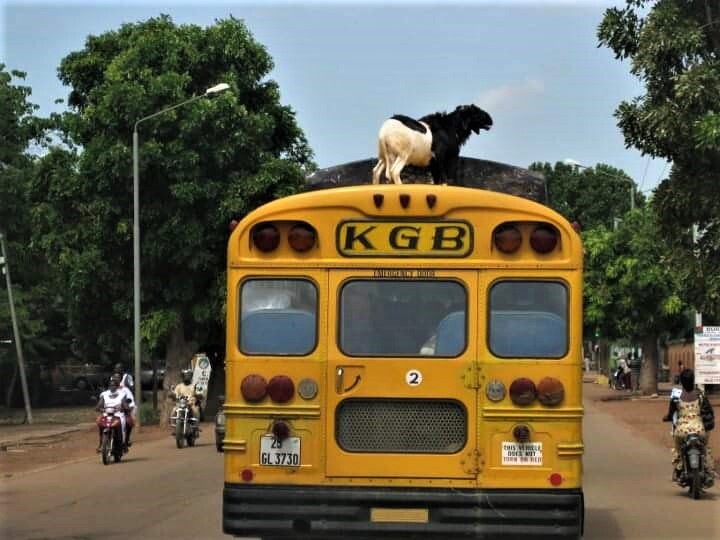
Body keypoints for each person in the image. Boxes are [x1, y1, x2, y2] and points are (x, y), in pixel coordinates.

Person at [663, 368, 715, 486]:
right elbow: (708, 412)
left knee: (678, 451)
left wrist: (667, 417)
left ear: (681, 381)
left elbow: (671, 414)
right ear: (693, 380)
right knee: (705, 449)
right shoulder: (700, 395)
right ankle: (707, 469)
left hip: (682, 430)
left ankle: (678, 469)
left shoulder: (676, 395)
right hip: (699, 428)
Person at [95, 375, 131, 452]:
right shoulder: (104, 394)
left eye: (114, 385)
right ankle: (101, 443)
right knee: (100, 424)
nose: (112, 387)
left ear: (117, 386)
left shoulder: (122, 394)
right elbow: (100, 404)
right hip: (106, 414)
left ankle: (123, 443)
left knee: (123, 424)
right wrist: (99, 408)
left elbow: (125, 404)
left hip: (118, 414)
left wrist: (125, 407)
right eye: (110, 385)